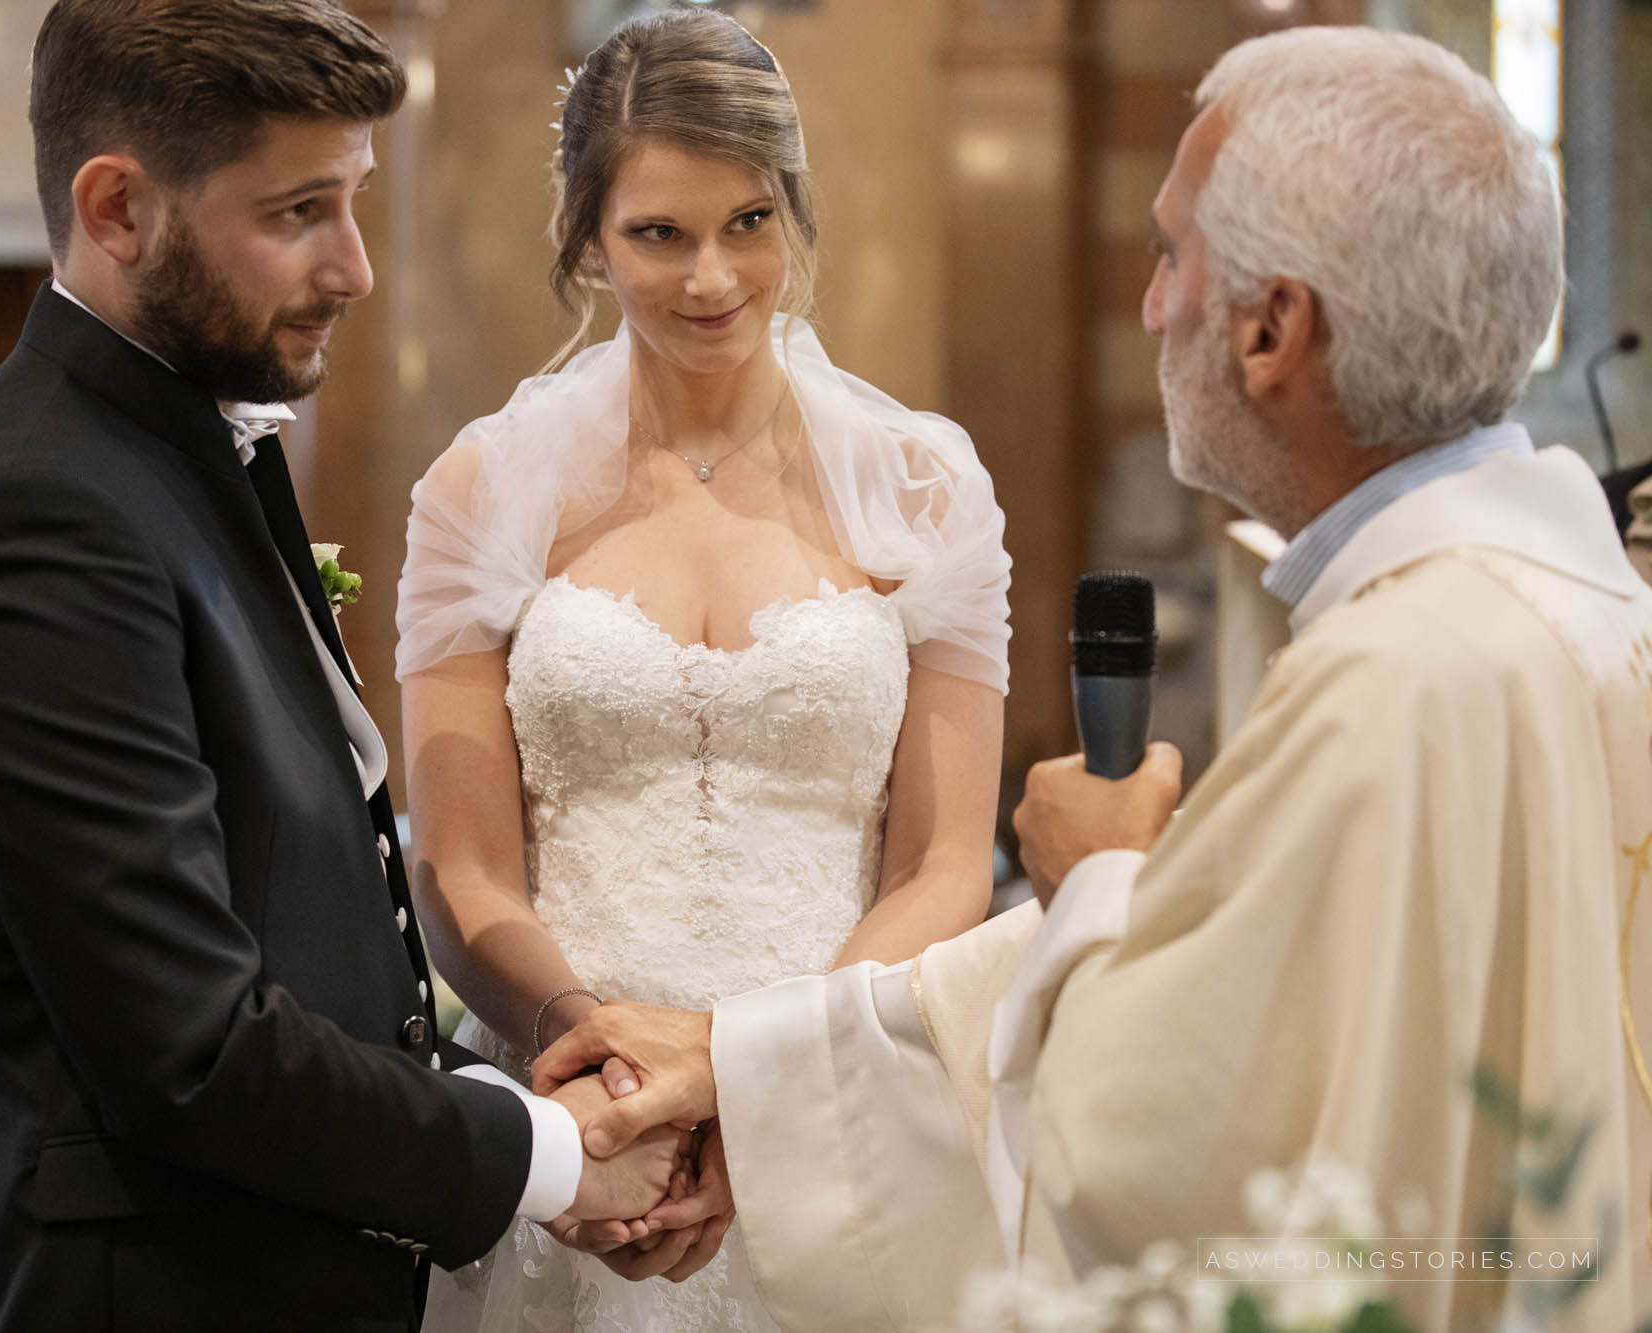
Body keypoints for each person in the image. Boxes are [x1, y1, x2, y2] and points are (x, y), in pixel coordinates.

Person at [534, 25, 1652, 1332]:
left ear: (1272, 330)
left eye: (1174, 256)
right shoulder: (1549, 612)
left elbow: (1154, 1146)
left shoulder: (1400, 680)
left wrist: (1102, 869)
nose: (1151, 303)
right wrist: (748, 1067)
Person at [0, 4, 683, 1330]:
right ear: (119, 207)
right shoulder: (32, 522)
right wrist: (544, 1157)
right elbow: (185, 1044)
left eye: (353, 202)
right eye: (299, 212)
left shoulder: (181, 456)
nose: (355, 266)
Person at [398, 9, 1011, 1328]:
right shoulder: (479, 492)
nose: (712, 277)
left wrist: (752, 1073)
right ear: (585, 239)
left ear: (796, 214)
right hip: (583, 1120)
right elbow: (461, 866)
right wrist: (609, 1065)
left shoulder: (926, 493)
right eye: (658, 234)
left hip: (842, 1105)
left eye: (748, 223)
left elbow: (946, 865)